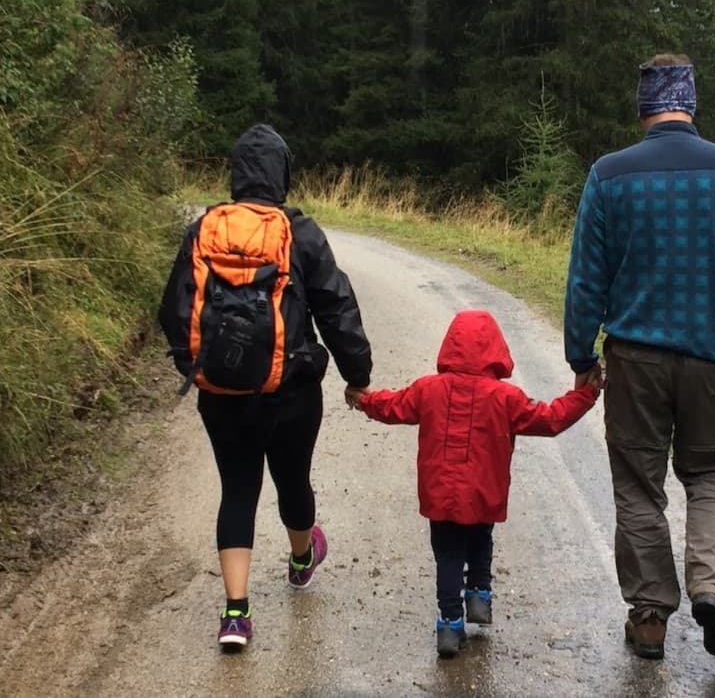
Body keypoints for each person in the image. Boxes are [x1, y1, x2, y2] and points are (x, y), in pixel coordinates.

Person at [563, 55, 715, 661]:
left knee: (639, 487)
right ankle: (713, 590)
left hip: (636, 362)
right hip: (714, 358)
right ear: (690, 104)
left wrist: (580, 354)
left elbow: (586, 280)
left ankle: (648, 618)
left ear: (643, 108)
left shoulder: (608, 177)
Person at [159, 124, 373, 651]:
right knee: (292, 479)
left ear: (235, 174)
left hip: (221, 393)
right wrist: (357, 375)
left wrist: (200, 366)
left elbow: (173, 311)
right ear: (283, 174)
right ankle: (302, 559)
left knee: (237, 489)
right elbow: (336, 307)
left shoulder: (204, 229)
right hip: (292, 391)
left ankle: (235, 613)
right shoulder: (299, 232)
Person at [352, 309, 597, 658]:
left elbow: (393, 406)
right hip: (484, 491)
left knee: (448, 554)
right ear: (496, 349)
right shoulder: (506, 398)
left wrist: (364, 400)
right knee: (481, 537)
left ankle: (450, 624)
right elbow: (550, 418)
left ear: (449, 346)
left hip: (440, 494)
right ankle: (480, 594)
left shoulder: (428, 389)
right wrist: (585, 395)